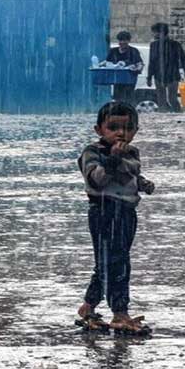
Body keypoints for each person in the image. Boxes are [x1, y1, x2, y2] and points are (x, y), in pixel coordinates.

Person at [76, 101, 155, 335]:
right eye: (113, 127)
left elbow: (132, 175)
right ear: (99, 130)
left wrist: (143, 184)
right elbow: (96, 180)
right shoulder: (93, 153)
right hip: (104, 211)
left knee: (113, 261)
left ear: (136, 131)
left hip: (127, 212)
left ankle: (88, 306)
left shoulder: (132, 153)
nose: (121, 133)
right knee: (115, 263)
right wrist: (111, 159)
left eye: (128, 128)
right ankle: (120, 312)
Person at [146, 22, 185, 112]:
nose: (154, 34)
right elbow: (151, 62)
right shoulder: (154, 45)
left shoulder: (175, 45)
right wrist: (149, 77)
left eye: (155, 32)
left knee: (172, 99)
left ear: (161, 33)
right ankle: (164, 118)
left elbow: (184, 61)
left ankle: (178, 114)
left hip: (172, 75)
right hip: (159, 75)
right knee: (161, 100)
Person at [105, 31, 143, 105]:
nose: (122, 42)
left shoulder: (133, 51)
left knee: (129, 97)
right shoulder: (113, 51)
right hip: (117, 79)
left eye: (124, 40)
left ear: (128, 41)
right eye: (120, 40)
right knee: (117, 98)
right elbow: (107, 63)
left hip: (130, 79)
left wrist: (137, 68)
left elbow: (139, 63)